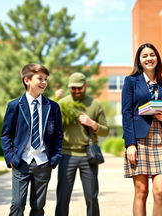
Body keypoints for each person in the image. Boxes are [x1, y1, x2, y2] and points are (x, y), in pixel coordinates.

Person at [1, 63, 63, 216]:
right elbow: (6, 134)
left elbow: (58, 135)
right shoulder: (15, 106)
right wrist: (10, 157)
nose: (44, 82)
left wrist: (54, 158)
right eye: (40, 78)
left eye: (45, 79)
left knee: (38, 206)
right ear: (27, 80)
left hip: (43, 162)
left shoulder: (52, 107)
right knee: (17, 204)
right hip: (21, 161)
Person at [122, 43, 162, 216]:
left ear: (157, 58)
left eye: (152, 54)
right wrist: (130, 144)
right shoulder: (131, 81)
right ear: (139, 60)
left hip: (160, 139)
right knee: (141, 192)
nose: (149, 58)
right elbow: (127, 112)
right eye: (144, 56)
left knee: (160, 191)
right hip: (139, 140)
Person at [55, 72, 109, 216]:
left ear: (85, 86)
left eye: (79, 88)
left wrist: (92, 123)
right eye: (73, 88)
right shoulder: (62, 105)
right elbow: (51, 128)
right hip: (66, 155)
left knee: (91, 196)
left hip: (88, 156)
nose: (77, 91)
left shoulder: (95, 105)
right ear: (69, 87)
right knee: (63, 197)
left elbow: (105, 131)